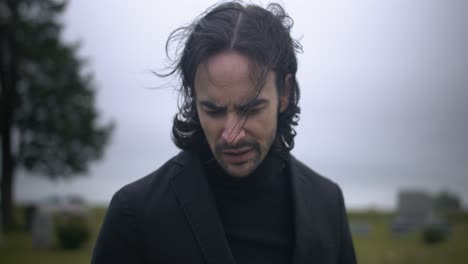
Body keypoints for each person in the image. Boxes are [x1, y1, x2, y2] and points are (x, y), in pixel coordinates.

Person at [92, 2, 357, 264]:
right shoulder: (135, 213)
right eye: (213, 110)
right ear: (194, 100)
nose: (232, 135)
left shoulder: (327, 202)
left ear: (284, 93)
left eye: (251, 109)